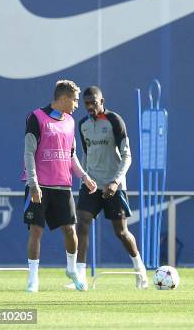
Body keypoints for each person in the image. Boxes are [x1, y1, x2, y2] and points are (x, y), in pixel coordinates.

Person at [68, 86, 148, 290]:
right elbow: (86, 155)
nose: (89, 107)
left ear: (102, 101)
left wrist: (115, 181)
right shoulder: (83, 124)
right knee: (82, 223)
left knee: (121, 232)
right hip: (91, 185)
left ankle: (140, 270)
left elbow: (127, 155)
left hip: (114, 185)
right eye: (86, 103)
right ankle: (81, 278)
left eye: (93, 103)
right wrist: (85, 180)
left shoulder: (114, 121)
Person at [22, 80, 97, 292]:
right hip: (39, 186)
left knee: (70, 231)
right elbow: (28, 152)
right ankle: (33, 279)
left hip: (63, 187)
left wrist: (84, 176)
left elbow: (71, 155)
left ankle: (71, 270)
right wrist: (33, 183)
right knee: (36, 231)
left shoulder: (71, 122)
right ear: (63, 99)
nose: (76, 105)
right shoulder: (36, 117)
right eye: (74, 100)